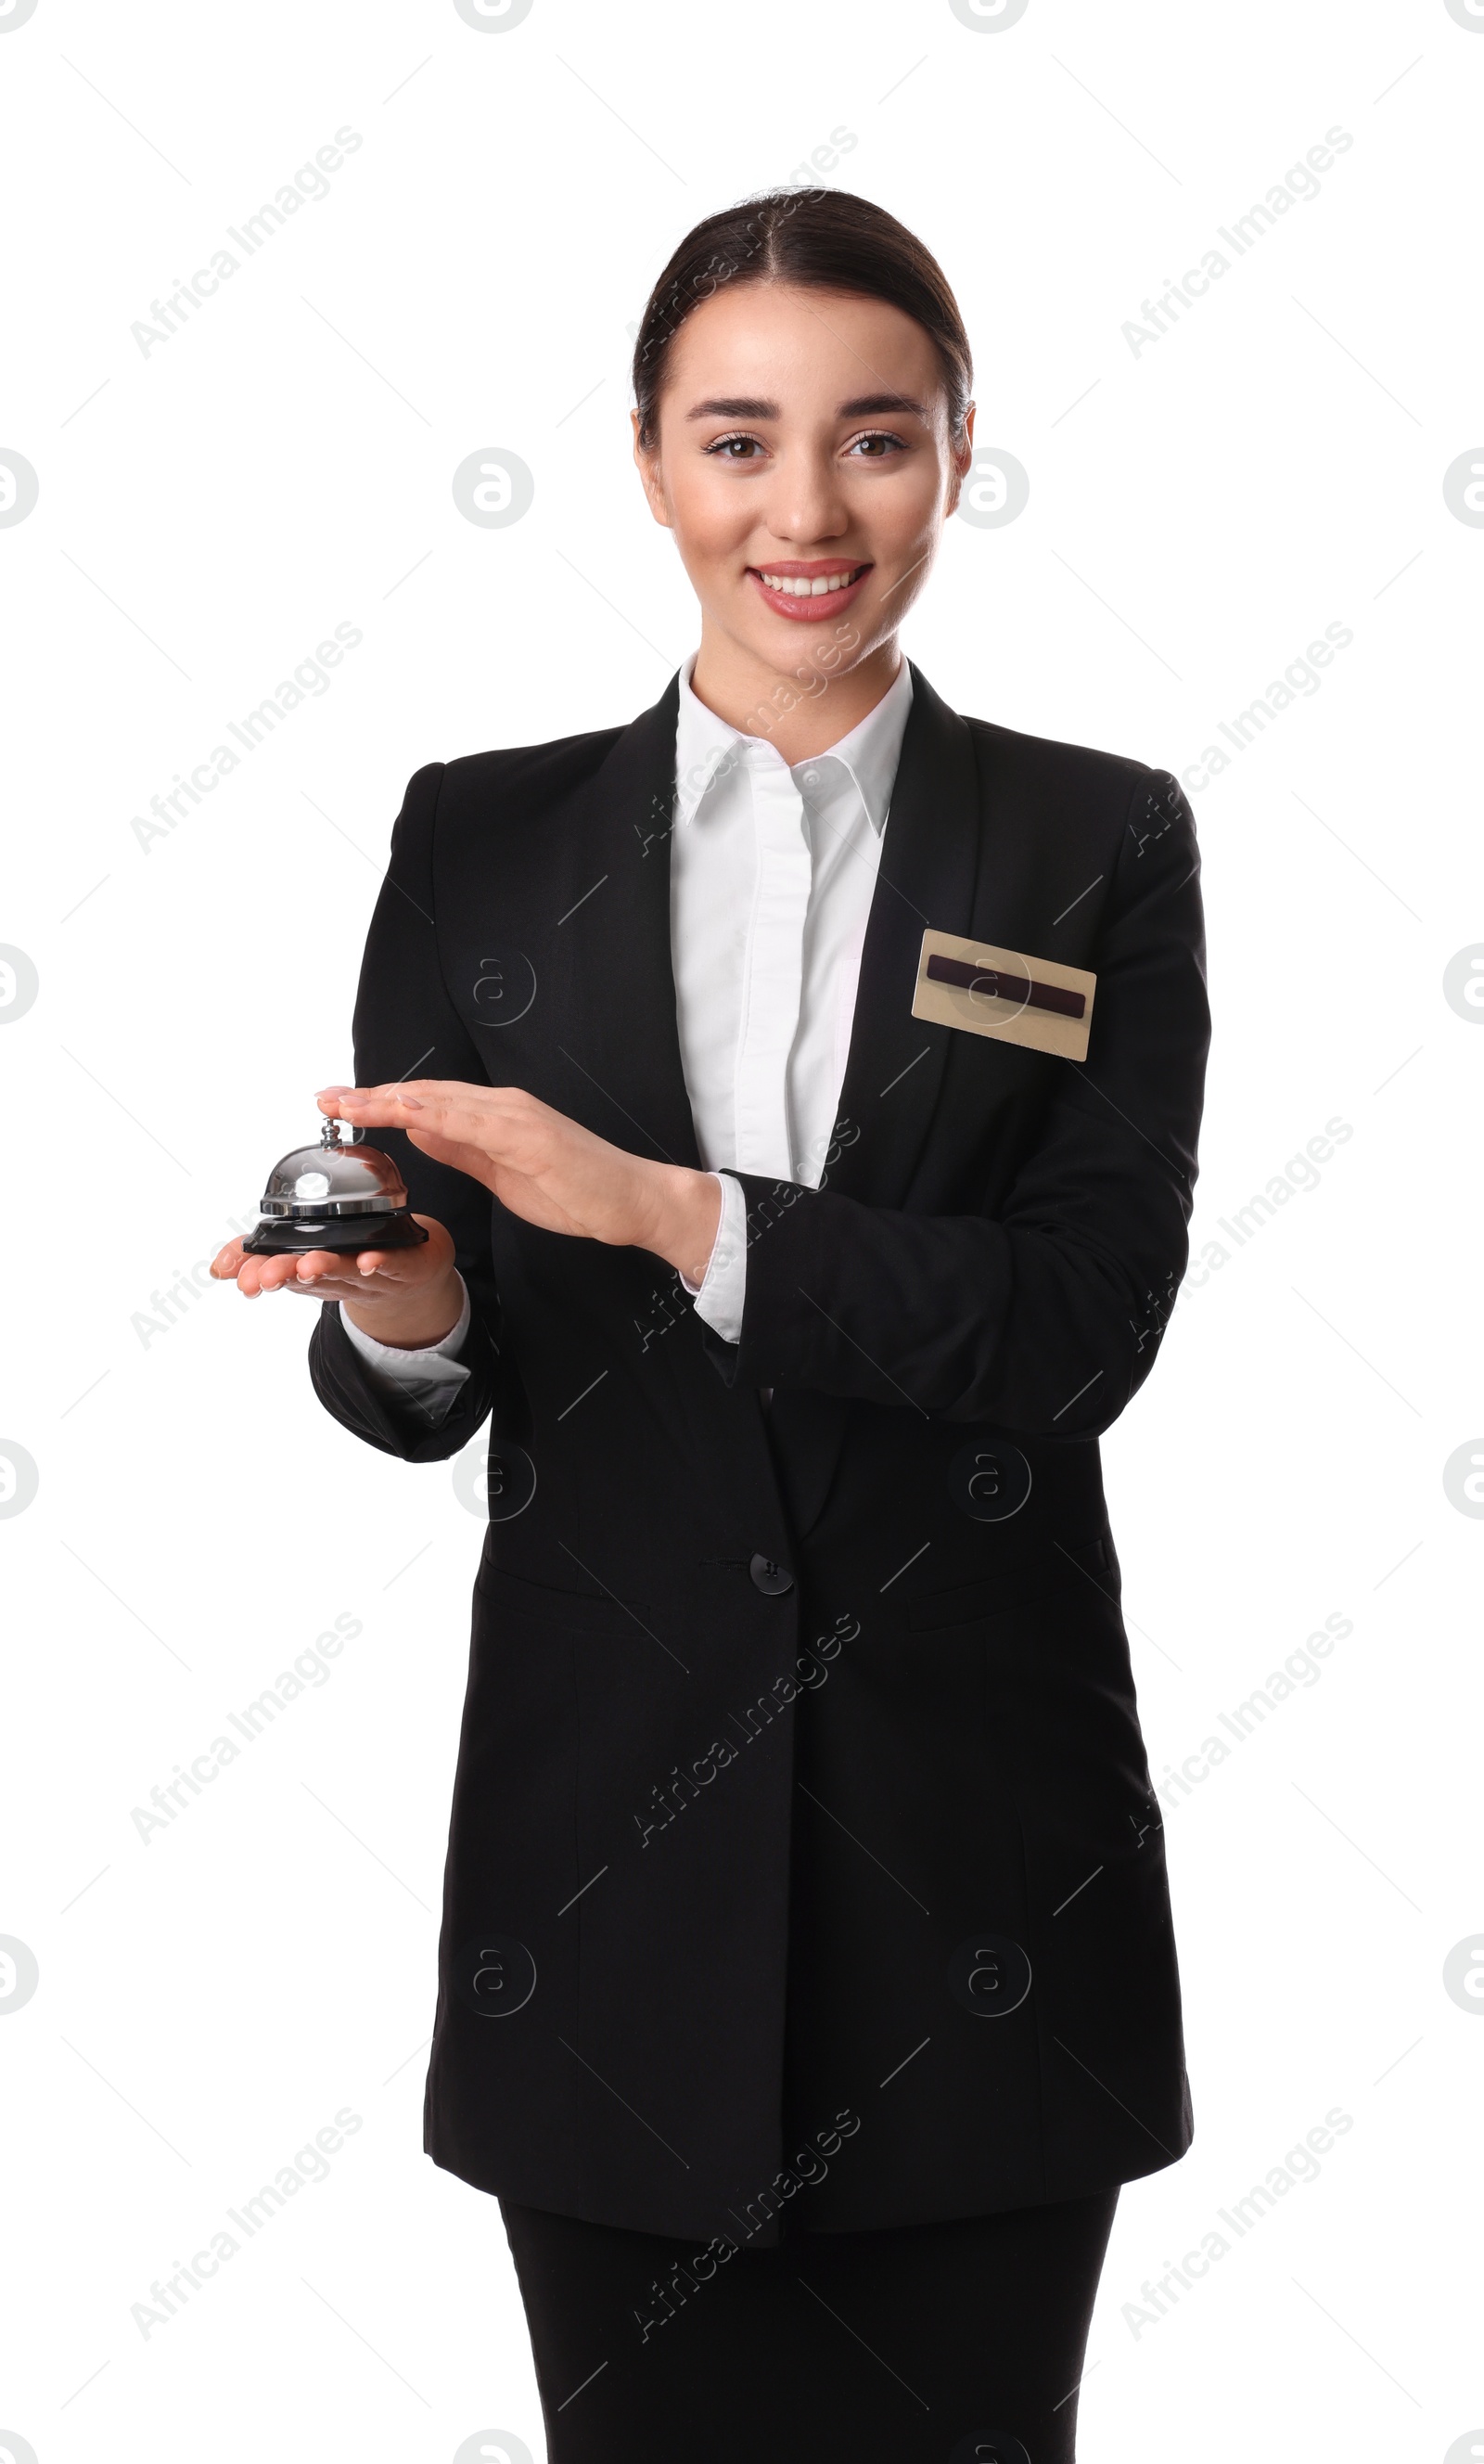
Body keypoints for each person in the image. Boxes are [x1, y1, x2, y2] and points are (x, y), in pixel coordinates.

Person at [213, 187, 1210, 2463]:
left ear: (957, 451)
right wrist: (408, 1299)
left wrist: (663, 1210)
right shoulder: (474, 843)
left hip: (980, 1883)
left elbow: (1076, 1328)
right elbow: (438, 1368)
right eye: (737, 438)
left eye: (871, 439)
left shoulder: (1091, 846)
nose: (804, 509)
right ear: (650, 459)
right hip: (605, 1902)